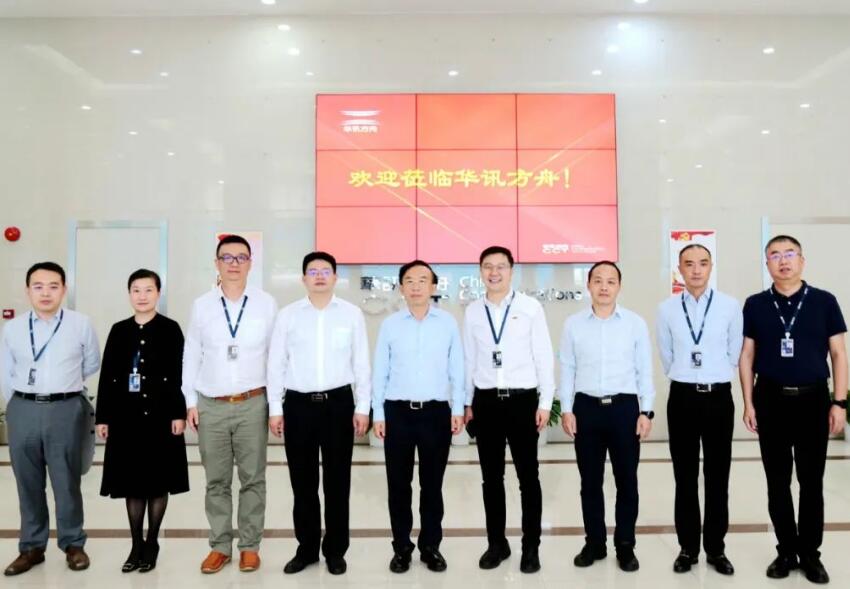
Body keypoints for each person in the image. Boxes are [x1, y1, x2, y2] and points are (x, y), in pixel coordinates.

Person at [739, 235, 847, 584]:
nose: (783, 261)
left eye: (789, 254)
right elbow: (747, 356)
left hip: (813, 400)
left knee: (811, 482)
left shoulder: (824, 301)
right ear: (766, 263)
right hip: (770, 400)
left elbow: (839, 354)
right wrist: (748, 402)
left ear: (802, 260)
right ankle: (786, 551)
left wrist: (839, 402)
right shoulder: (755, 304)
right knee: (778, 481)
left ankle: (811, 554)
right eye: (775, 255)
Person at [267, 251, 370, 576]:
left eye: (326, 271)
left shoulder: (351, 314)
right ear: (303, 279)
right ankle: (307, 549)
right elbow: (275, 364)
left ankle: (336, 550)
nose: (320, 276)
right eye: (313, 271)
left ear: (336, 277)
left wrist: (363, 406)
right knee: (303, 483)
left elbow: (361, 363)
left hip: (339, 404)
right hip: (297, 406)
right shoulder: (288, 316)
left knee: (338, 482)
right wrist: (275, 408)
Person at [183, 234, 277, 574]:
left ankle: (249, 546)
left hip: (253, 402)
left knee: (253, 479)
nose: (234, 263)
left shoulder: (266, 304)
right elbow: (192, 354)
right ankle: (220, 546)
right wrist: (190, 400)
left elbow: (276, 358)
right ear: (217, 263)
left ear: (250, 263)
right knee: (217, 481)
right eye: (227, 257)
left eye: (241, 257)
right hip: (212, 404)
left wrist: (276, 406)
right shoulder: (202, 305)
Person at [1, 262, 101, 576]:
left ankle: (73, 543)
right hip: (23, 408)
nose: (46, 293)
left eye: (53, 286)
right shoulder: (13, 328)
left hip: (65, 408)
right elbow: (5, 371)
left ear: (64, 289)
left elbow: (91, 363)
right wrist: (20, 403)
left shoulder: (80, 324)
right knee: (27, 481)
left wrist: (62, 384)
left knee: (66, 481)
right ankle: (32, 547)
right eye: (38, 286)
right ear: (28, 290)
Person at [463, 245, 554, 574]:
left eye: (500, 266)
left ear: (511, 271)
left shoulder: (530, 308)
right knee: (491, 479)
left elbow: (543, 356)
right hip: (486, 402)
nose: (494, 272)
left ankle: (531, 547)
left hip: (522, 401)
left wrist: (545, 402)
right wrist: (467, 402)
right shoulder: (473, 311)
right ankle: (497, 544)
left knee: (528, 477)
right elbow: (469, 359)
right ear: (481, 271)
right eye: (488, 266)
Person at [559, 261, 654, 572]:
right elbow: (567, 368)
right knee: (590, 482)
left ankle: (625, 545)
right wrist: (567, 408)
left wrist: (646, 410)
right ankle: (595, 543)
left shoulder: (634, 323)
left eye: (610, 281)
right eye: (598, 280)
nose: (604, 286)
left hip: (624, 409)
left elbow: (644, 369)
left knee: (627, 481)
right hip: (586, 409)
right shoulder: (573, 324)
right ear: (588, 285)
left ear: (619, 287)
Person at [372, 260, 465, 574]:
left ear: (433, 286)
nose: (415, 286)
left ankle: (430, 546)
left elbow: (457, 369)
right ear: (401, 287)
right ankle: (401, 548)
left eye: (422, 280)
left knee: (432, 486)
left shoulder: (447, 323)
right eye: (409, 280)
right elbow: (380, 371)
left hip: (436, 413)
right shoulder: (390, 325)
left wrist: (457, 408)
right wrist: (378, 412)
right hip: (397, 413)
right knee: (398, 486)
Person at [95, 269, 189, 573]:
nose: (142, 296)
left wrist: (179, 412)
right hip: (126, 418)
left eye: (148, 290)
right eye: (136, 290)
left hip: (162, 418)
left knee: (158, 482)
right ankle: (136, 543)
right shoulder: (119, 330)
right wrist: (103, 417)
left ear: (158, 293)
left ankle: (152, 542)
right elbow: (108, 375)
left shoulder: (171, 329)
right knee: (132, 483)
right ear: (129, 294)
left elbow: (180, 374)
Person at [656, 244, 741, 575]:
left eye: (702, 263)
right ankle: (688, 548)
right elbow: (667, 355)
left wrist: (712, 374)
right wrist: (688, 375)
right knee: (685, 477)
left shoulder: (729, 306)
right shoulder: (667, 309)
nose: (695, 270)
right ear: (679, 269)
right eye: (689, 264)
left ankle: (716, 549)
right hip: (682, 398)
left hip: (718, 397)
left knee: (718, 477)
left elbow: (734, 352)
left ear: (711, 267)